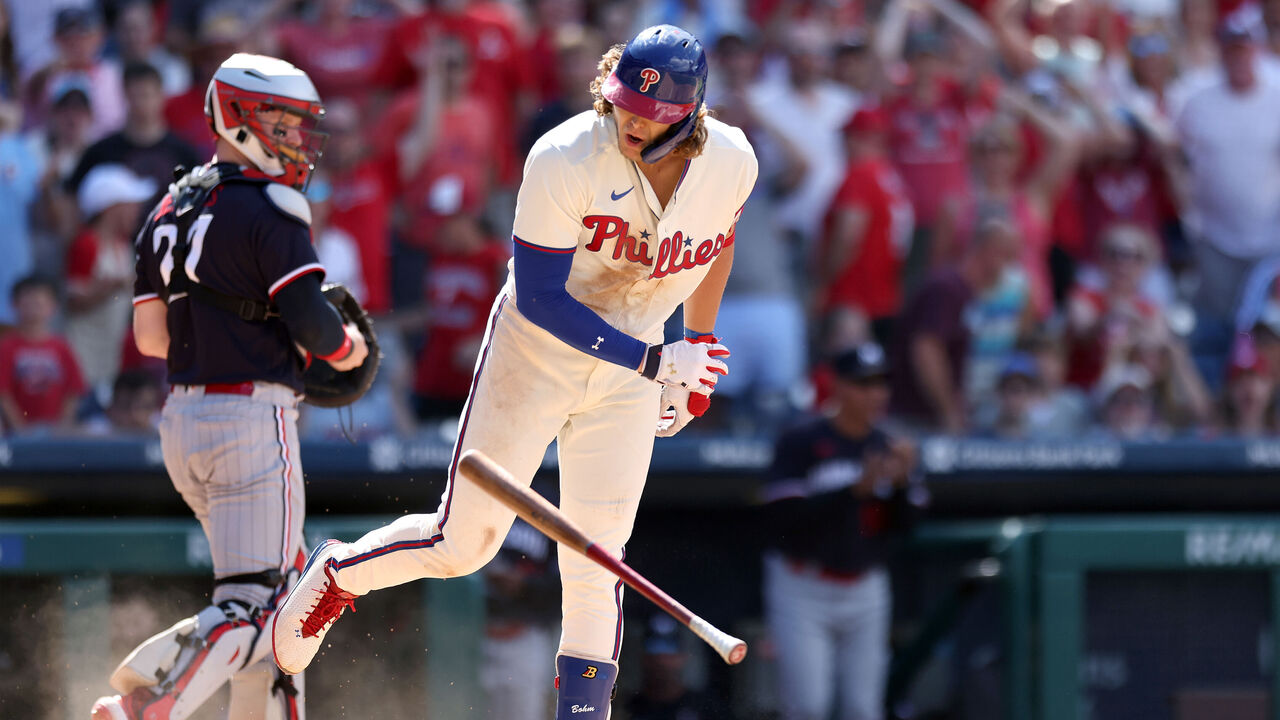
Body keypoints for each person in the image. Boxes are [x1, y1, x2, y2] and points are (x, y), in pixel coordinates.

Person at [270, 25, 757, 719]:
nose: (629, 119)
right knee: (462, 545)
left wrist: (696, 351)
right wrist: (655, 361)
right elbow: (540, 299)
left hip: (632, 363)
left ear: (690, 117)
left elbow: (718, 244)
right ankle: (337, 572)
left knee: (599, 556)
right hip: (539, 354)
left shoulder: (732, 159)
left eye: (649, 115)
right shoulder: (565, 155)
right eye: (622, 102)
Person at [91, 53, 369, 720]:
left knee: (281, 606)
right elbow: (314, 323)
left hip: (183, 424)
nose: (296, 139)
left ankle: (164, 683)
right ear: (239, 117)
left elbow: (152, 339)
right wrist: (347, 347)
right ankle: (147, 702)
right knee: (256, 605)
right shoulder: (271, 205)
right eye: (282, 121)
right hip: (251, 421)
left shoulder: (165, 206)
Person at [762, 342, 927, 720]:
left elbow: (908, 528)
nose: (874, 394)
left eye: (880, 383)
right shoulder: (802, 441)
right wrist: (853, 493)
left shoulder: (892, 447)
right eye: (862, 383)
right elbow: (781, 521)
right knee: (808, 707)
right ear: (838, 386)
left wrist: (901, 486)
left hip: (866, 589)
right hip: (803, 585)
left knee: (862, 710)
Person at [0, 274, 86, 435]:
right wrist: (18, 427)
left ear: (52, 307)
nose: (33, 307)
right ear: (14, 304)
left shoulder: (61, 347)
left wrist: (62, 425)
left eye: (39, 303)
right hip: (15, 433)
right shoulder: (6, 346)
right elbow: (3, 393)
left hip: (55, 431)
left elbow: (73, 390)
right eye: (27, 302)